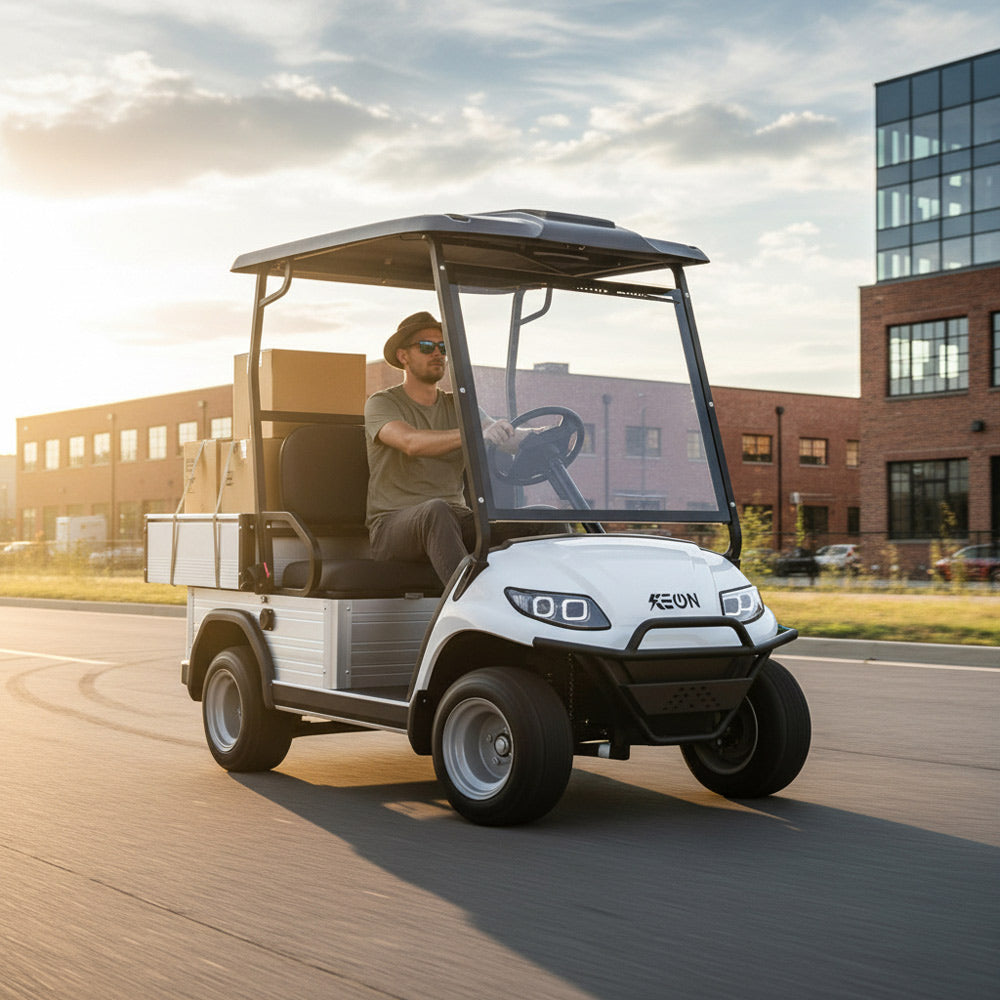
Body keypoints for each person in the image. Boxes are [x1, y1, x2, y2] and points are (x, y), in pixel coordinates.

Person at [364, 310, 522, 585]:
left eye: (443, 347)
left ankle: (557, 613)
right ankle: (472, 608)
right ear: (404, 356)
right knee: (436, 511)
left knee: (542, 521)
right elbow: (410, 443)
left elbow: (503, 437)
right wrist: (478, 433)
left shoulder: (457, 406)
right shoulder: (382, 403)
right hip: (392, 527)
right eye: (426, 347)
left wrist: (540, 435)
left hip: (455, 522)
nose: (437, 353)